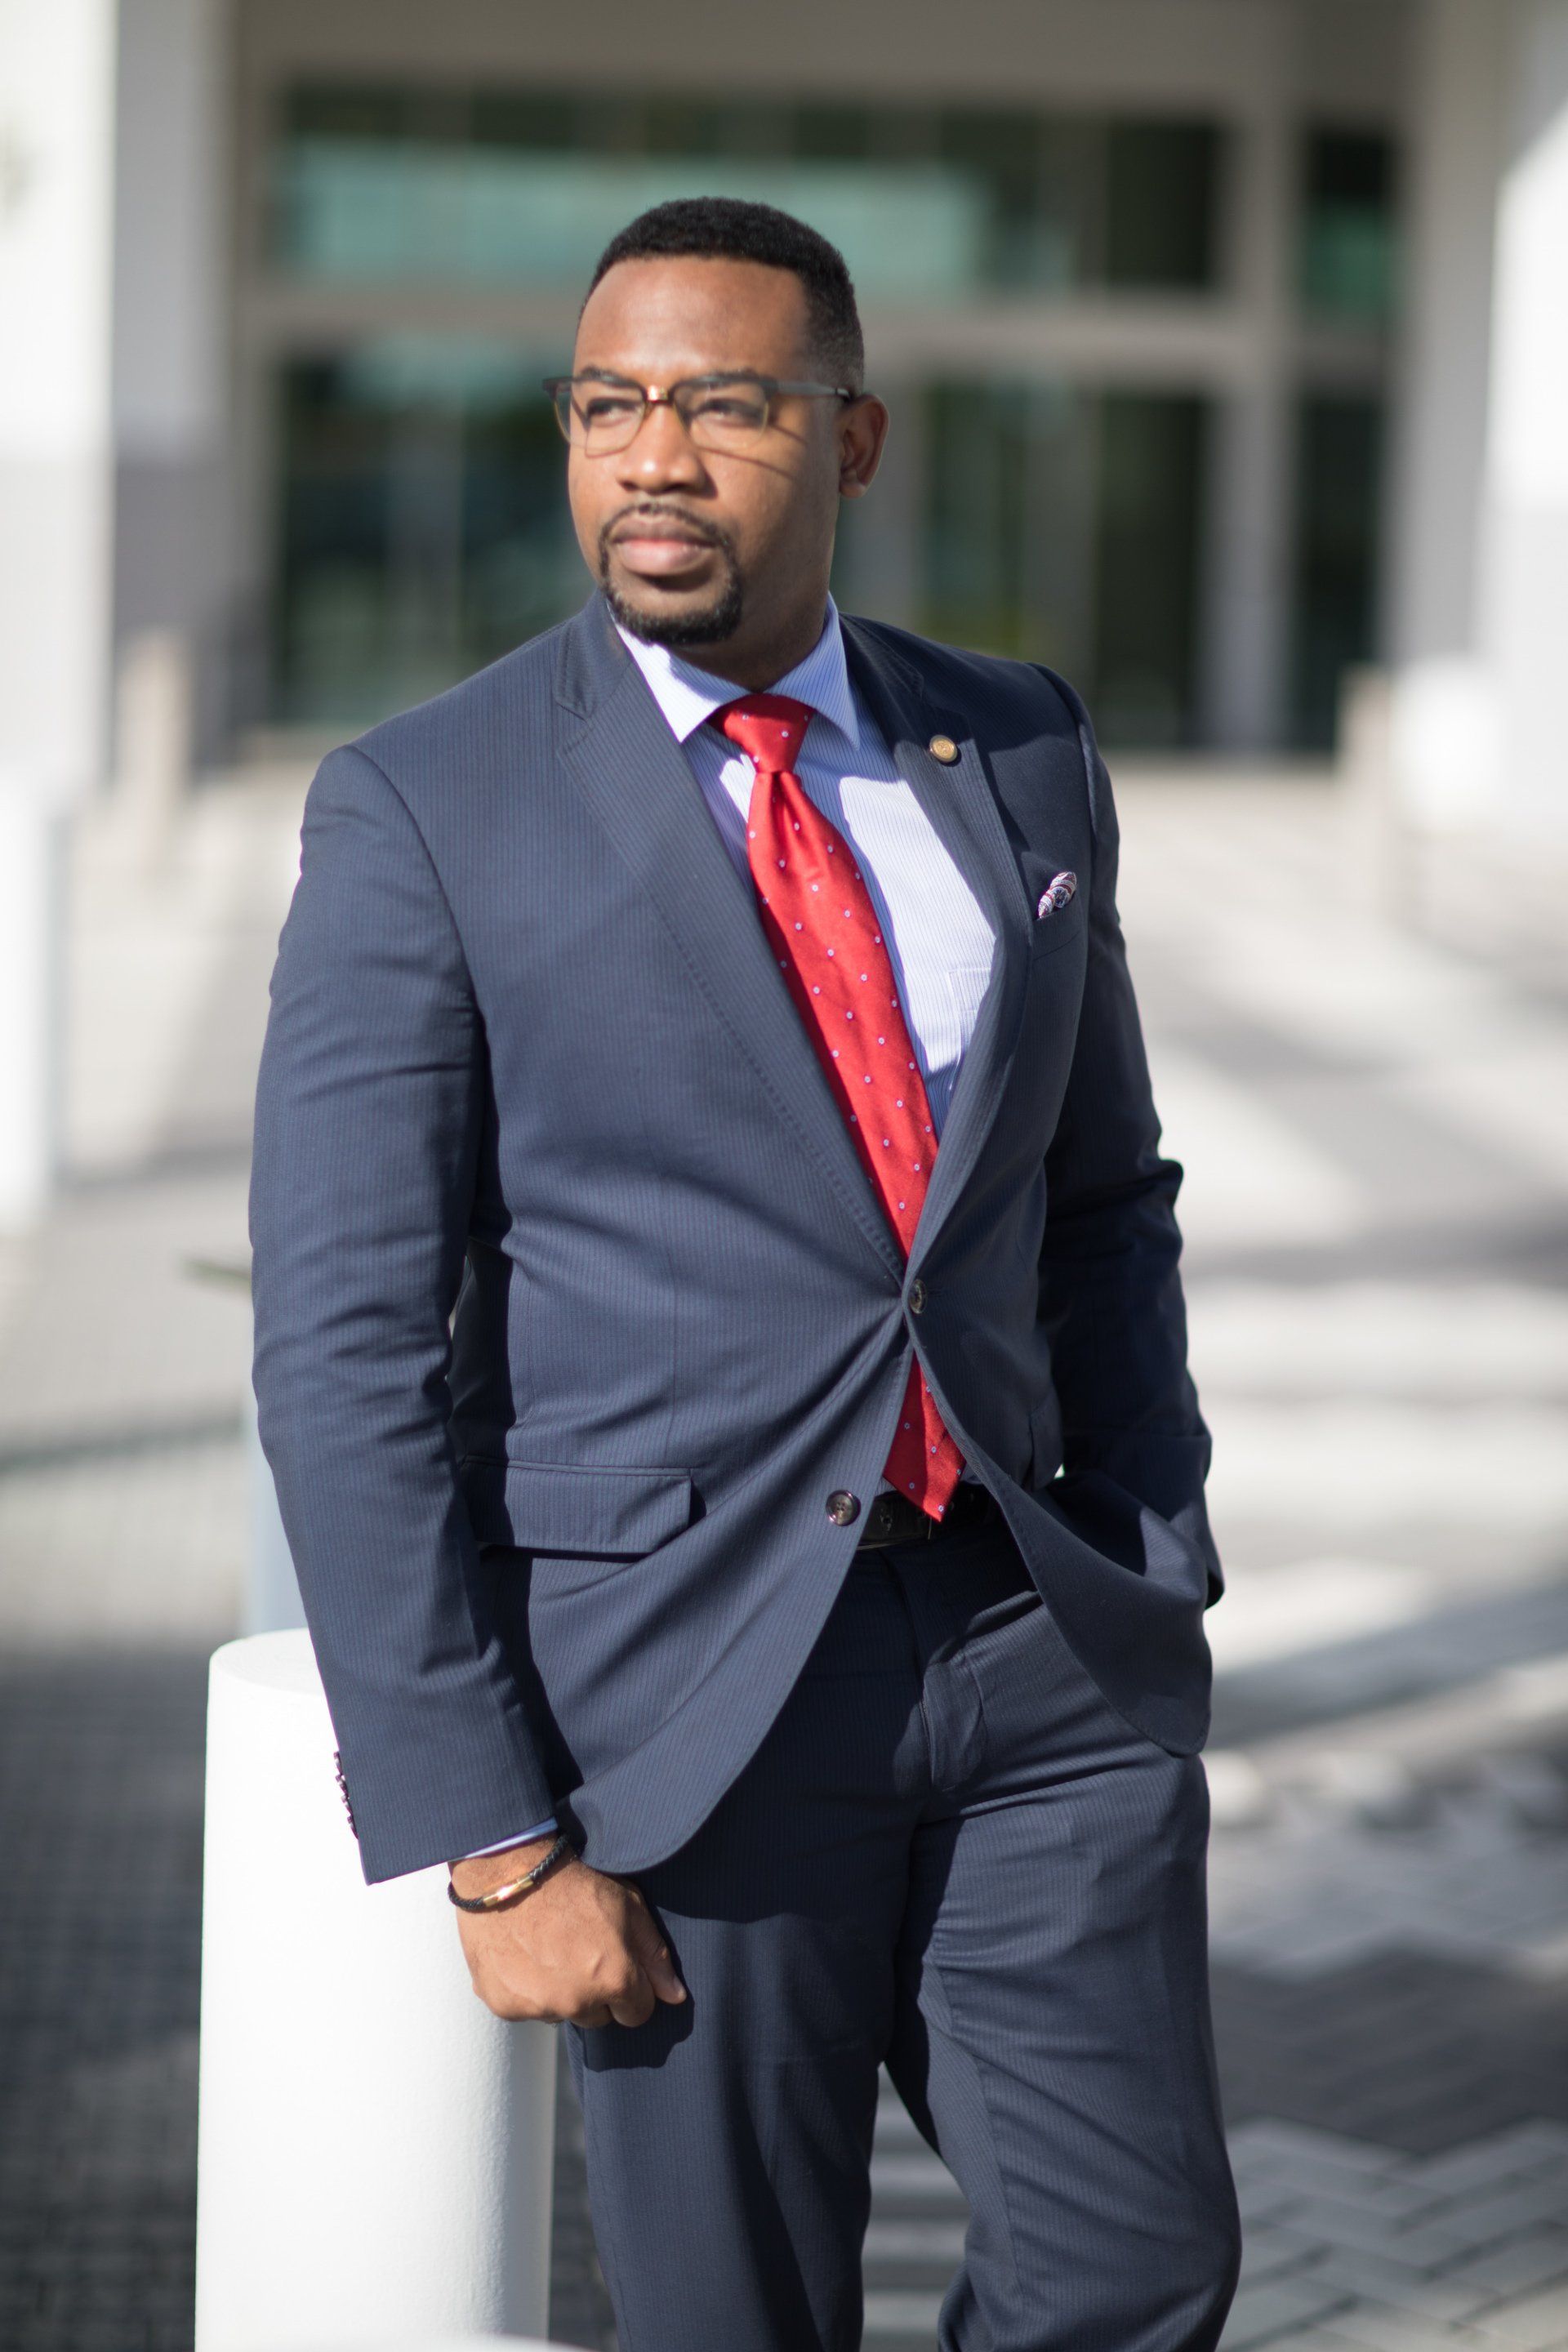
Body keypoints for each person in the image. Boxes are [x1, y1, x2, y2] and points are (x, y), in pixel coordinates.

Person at [252, 195, 1240, 2352]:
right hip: (688, 1711)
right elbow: (344, 1350)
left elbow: (1100, 1195)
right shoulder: (423, 808)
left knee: (1140, 2270)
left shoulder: (1023, 742)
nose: (657, 456)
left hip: (1034, 1650)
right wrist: (490, 1838)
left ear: (856, 439)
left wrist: (1151, 1533)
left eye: (724, 403)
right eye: (609, 404)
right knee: (740, 2323)